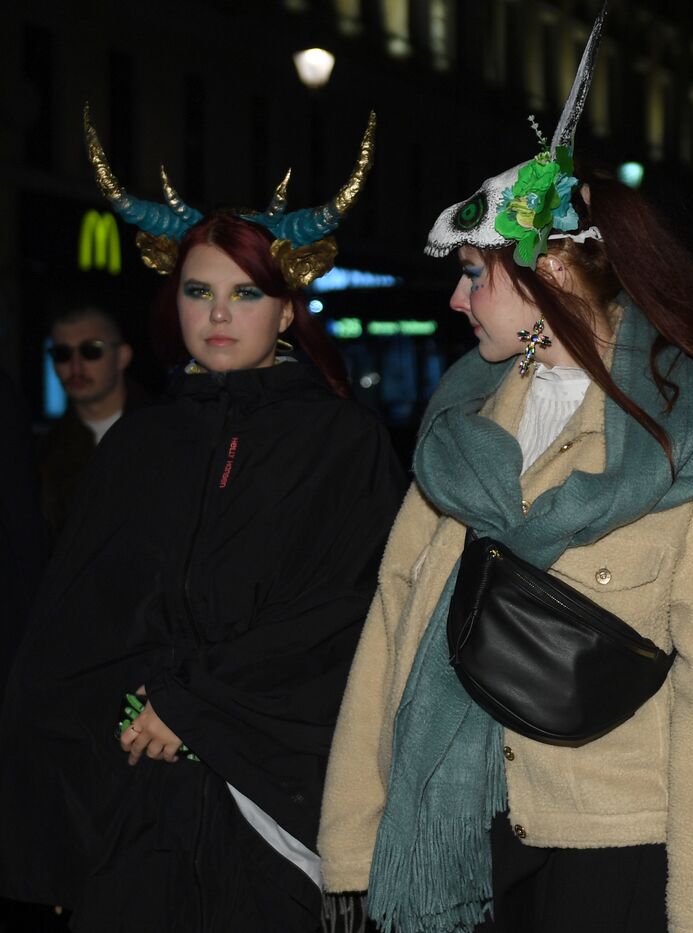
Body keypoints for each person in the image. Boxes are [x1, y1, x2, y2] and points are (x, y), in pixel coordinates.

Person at [318, 11, 693, 933]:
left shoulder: (681, 442)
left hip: (617, 854)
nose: (455, 298)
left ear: (553, 273)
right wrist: (352, 845)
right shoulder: (459, 432)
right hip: (455, 844)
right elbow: (392, 633)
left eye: (475, 275)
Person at [0, 111, 405, 932]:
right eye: (198, 291)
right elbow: (75, 626)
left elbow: (350, 615)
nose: (218, 315)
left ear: (288, 310)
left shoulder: (342, 441)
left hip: (271, 813)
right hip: (138, 807)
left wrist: (196, 708)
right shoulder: (141, 442)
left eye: (245, 294)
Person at [39, 303, 148, 538]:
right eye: (62, 354)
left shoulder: (166, 433)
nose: (75, 366)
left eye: (91, 350)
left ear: (122, 357)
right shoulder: (42, 453)